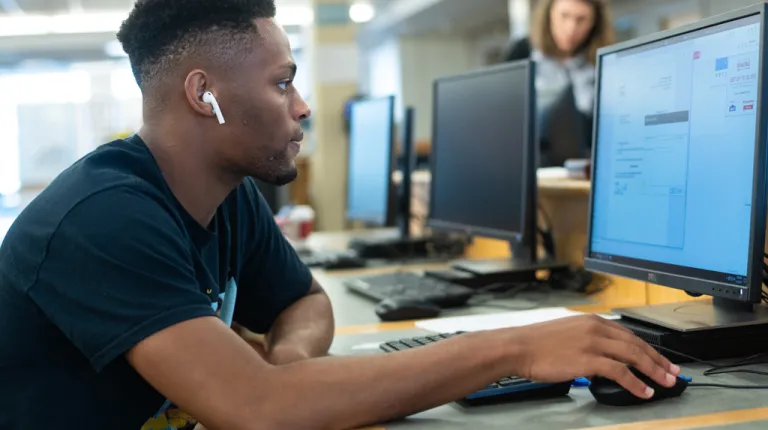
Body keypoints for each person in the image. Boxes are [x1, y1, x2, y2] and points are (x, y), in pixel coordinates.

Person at [0, 1, 679, 429]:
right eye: (281, 81)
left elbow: (306, 302)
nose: (302, 106)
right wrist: (517, 348)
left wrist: (291, 362)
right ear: (204, 96)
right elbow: (258, 411)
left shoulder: (227, 196)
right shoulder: (105, 219)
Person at [506, 0, 614, 166]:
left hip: (582, 171)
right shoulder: (522, 51)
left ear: (594, 23)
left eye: (581, 19)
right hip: (528, 165)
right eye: (564, 16)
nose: (571, 28)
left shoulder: (603, 63)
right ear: (549, 15)